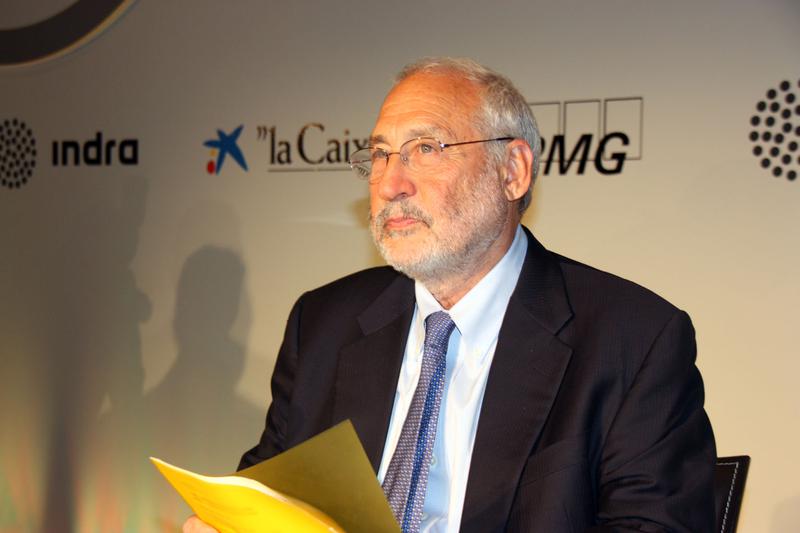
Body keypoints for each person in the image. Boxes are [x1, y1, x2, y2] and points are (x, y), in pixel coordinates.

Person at [184, 57, 716, 533]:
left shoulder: (633, 341)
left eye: (426, 149)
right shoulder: (323, 324)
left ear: (513, 171)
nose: (391, 184)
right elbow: (270, 496)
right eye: (380, 155)